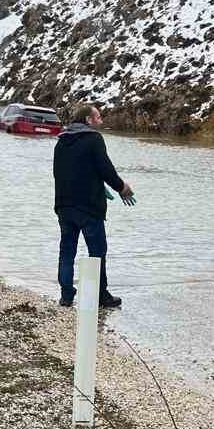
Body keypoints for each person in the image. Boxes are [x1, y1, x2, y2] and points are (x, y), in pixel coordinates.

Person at [53, 101, 134, 309]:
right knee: (98, 251)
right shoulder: (94, 139)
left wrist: (98, 185)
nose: (101, 120)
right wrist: (121, 187)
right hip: (89, 208)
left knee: (66, 251)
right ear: (88, 120)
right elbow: (105, 168)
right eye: (98, 117)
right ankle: (101, 295)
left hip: (64, 206)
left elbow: (62, 173)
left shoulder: (61, 141)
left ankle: (66, 296)